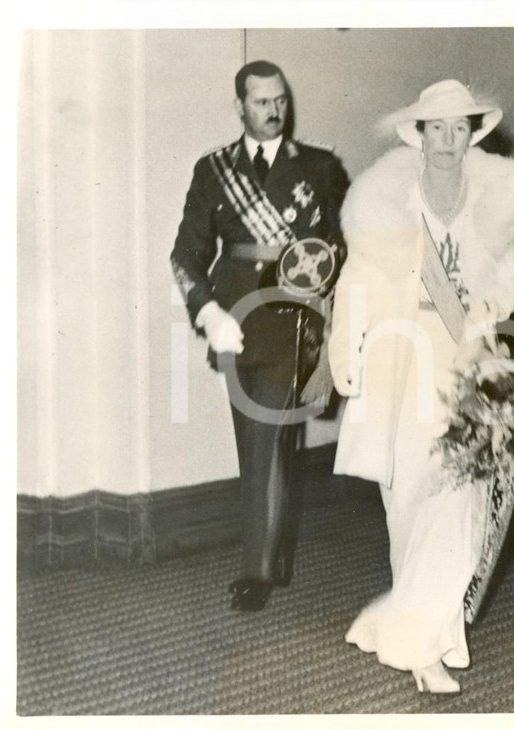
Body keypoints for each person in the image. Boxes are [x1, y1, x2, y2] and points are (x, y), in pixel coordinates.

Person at [328, 80, 514, 694]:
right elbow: (355, 282)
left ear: (472, 132)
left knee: (462, 502)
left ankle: (420, 644)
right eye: (436, 128)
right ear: (419, 134)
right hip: (400, 358)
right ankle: (420, 635)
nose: (448, 140)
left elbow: (508, 282)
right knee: (410, 501)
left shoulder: (489, 201)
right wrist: (347, 350)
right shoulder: (387, 201)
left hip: (463, 359)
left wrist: (484, 309)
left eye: (458, 128)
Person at [170, 60, 349, 612]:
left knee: (269, 440)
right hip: (234, 319)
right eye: (261, 102)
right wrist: (207, 314)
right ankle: (274, 550)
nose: (274, 111)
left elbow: (345, 241)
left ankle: (258, 570)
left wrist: (319, 273)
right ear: (239, 106)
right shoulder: (213, 170)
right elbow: (186, 254)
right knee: (254, 443)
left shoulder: (319, 168)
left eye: (280, 100)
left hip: (292, 316)